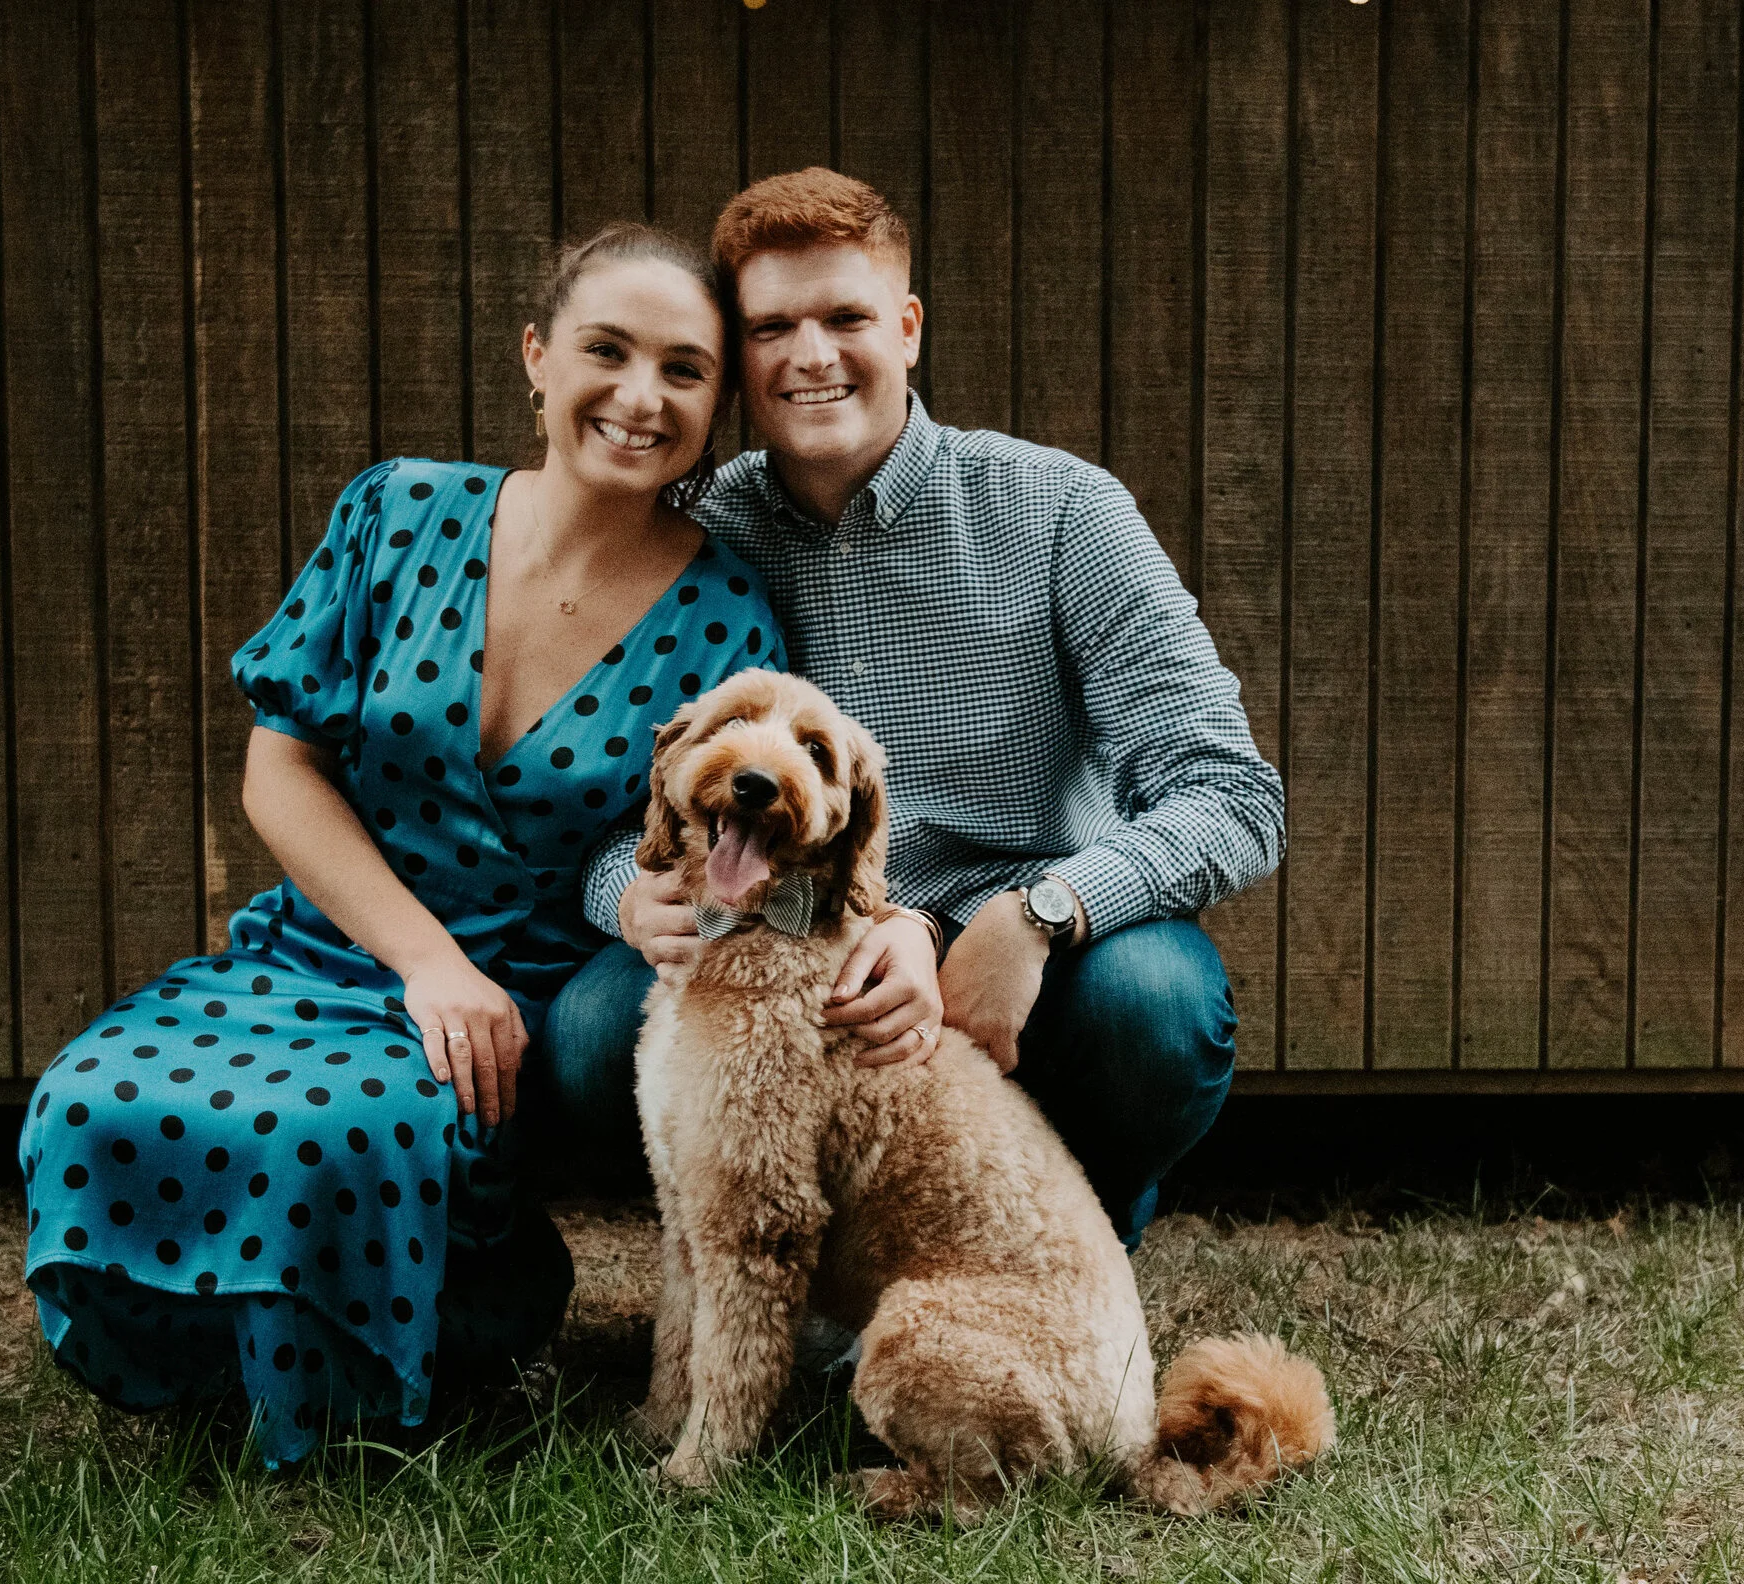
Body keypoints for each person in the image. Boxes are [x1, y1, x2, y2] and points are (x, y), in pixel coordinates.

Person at [16, 223, 784, 1466]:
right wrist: (422, 960)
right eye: (607, 350)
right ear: (536, 358)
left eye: (684, 370)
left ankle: (424, 1342)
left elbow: (690, 846)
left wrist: (644, 902)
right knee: (92, 1096)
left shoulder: (728, 615)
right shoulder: (398, 511)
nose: (641, 397)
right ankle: (215, 1355)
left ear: (718, 405)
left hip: (513, 989)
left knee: (323, 1134)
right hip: (324, 947)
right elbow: (279, 767)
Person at [539, 170, 1285, 1250]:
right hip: (785, 930)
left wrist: (1035, 916)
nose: (811, 356)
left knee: (1153, 1005)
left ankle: (1064, 1240)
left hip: (1012, 937)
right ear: (739, 355)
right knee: (593, 1029)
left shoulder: (1062, 510)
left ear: (908, 327)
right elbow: (605, 795)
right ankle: (788, 1256)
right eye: (772, 327)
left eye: (845, 317)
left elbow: (1231, 794)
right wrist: (628, 893)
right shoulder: (695, 534)